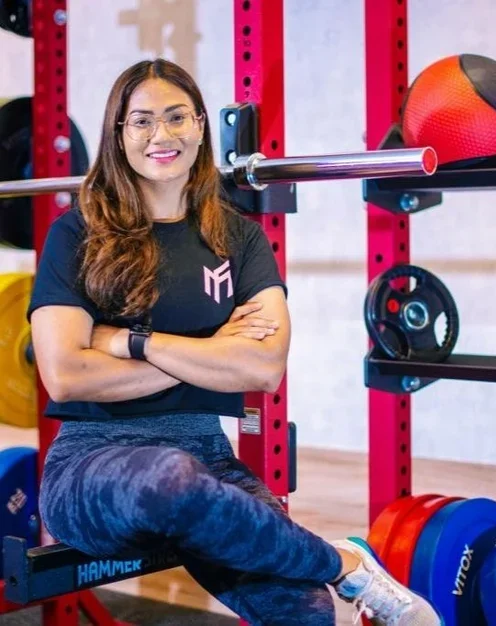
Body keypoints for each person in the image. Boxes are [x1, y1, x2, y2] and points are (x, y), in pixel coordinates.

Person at [28, 58, 442, 626]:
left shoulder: (239, 240)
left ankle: (330, 574)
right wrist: (212, 350)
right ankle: (347, 564)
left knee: (304, 611)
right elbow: (66, 375)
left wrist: (133, 341)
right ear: (118, 134)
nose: (161, 135)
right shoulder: (77, 233)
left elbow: (262, 368)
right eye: (141, 121)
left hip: (208, 456)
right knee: (169, 475)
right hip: (91, 464)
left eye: (177, 117)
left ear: (201, 125)